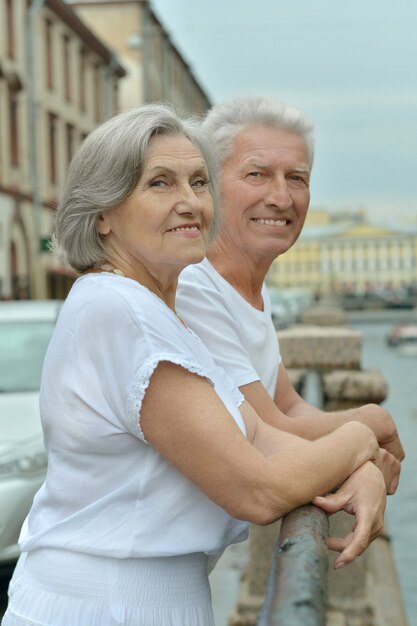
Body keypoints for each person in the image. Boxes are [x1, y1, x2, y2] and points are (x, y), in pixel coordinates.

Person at [3, 103, 385, 626]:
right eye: (160, 183)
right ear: (102, 214)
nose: (190, 202)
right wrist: (362, 439)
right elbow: (260, 487)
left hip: (141, 600)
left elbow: (263, 437)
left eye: (199, 182)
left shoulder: (161, 312)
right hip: (104, 605)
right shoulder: (122, 310)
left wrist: (357, 467)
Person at [177, 95, 404, 508]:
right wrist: (370, 424)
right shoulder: (194, 288)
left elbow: (289, 404)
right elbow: (266, 429)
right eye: (257, 174)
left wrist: (360, 454)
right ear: (207, 184)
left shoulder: (249, 286)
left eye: (297, 178)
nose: (281, 198)